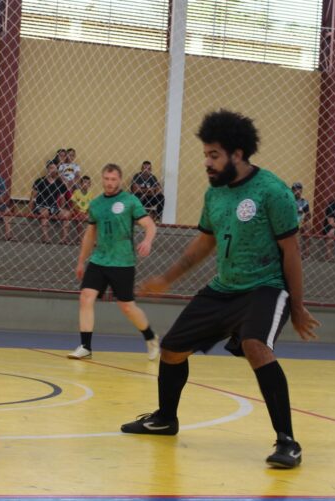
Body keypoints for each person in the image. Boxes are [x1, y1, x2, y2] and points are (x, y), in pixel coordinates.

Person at [120, 110, 319, 469]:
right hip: (224, 288)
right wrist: (167, 278)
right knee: (171, 350)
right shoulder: (215, 194)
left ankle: (287, 441)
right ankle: (166, 418)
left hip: (266, 287)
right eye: (205, 155)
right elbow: (205, 243)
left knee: (256, 346)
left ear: (237, 154)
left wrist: (299, 306)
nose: (207, 163)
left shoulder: (273, 191)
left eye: (214, 155)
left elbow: (291, 253)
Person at [70, 164, 159, 360]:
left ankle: (151, 337)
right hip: (99, 259)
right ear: (102, 179)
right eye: (106, 179)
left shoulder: (129, 201)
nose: (110, 183)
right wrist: (81, 261)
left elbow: (149, 225)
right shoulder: (95, 204)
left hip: (122, 261)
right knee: (86, 296)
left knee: (126, 306)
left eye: (113, 179)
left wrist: (147, 240)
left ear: (119, 180)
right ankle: (85, 346)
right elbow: (89, 235)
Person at [31, 160, 70, 243]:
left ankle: (64, 239)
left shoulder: (60, 183)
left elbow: (62, 197)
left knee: (67, 213)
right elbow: (32, 196)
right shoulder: (40, 181)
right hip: (40, 206)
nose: (53, 170)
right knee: (45, 212)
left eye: (55, 168)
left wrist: (61, 209)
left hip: (53, 207)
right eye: (51, 168)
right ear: (47, 169)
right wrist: (30, 209)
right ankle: (45, 238)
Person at [291, 182, 311, 255]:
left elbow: (309, 215)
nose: (297, 191)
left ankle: (306, 251)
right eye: (295, 190)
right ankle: (297, 252)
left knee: (308, 225)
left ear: (301, 191)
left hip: (300, 222)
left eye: (299, 190)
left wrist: (306, 217)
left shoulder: (304, 202)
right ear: (292, 191)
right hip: (290, 222)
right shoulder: (289, 200)